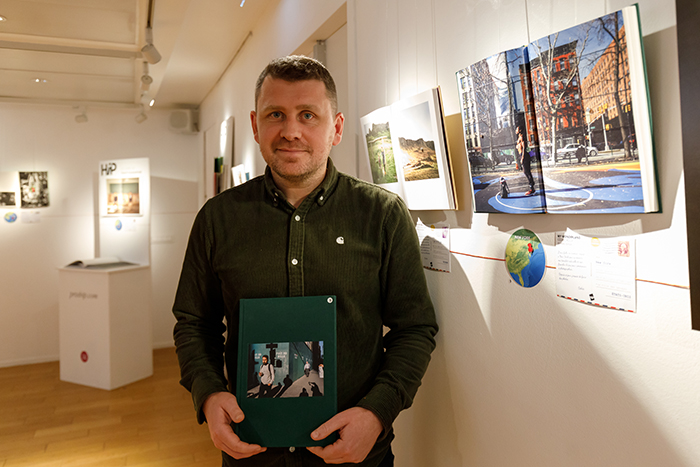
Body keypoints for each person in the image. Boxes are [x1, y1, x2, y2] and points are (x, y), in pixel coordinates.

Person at [172, 55, 438, 467]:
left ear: (336, 128)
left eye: (308, 115)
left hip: (356, 455)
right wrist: (207, 394)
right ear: (256, 125)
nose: (291, 131)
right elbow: (194, 323)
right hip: (253, 452)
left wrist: (376, 412)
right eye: (276, 114)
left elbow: (415, 328)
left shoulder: (382, 215)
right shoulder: (217, 218)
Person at [516, 125, 535, 196]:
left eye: (517, 129)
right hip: (521, 155)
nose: (516, 130)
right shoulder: (519, 137)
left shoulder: (522, 137)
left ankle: (532, 188)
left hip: (524, 156)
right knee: (525, 171)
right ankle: (532, 186)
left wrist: (523, 157)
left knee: (527, 171)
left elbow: (524, 147)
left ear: (519, 130)